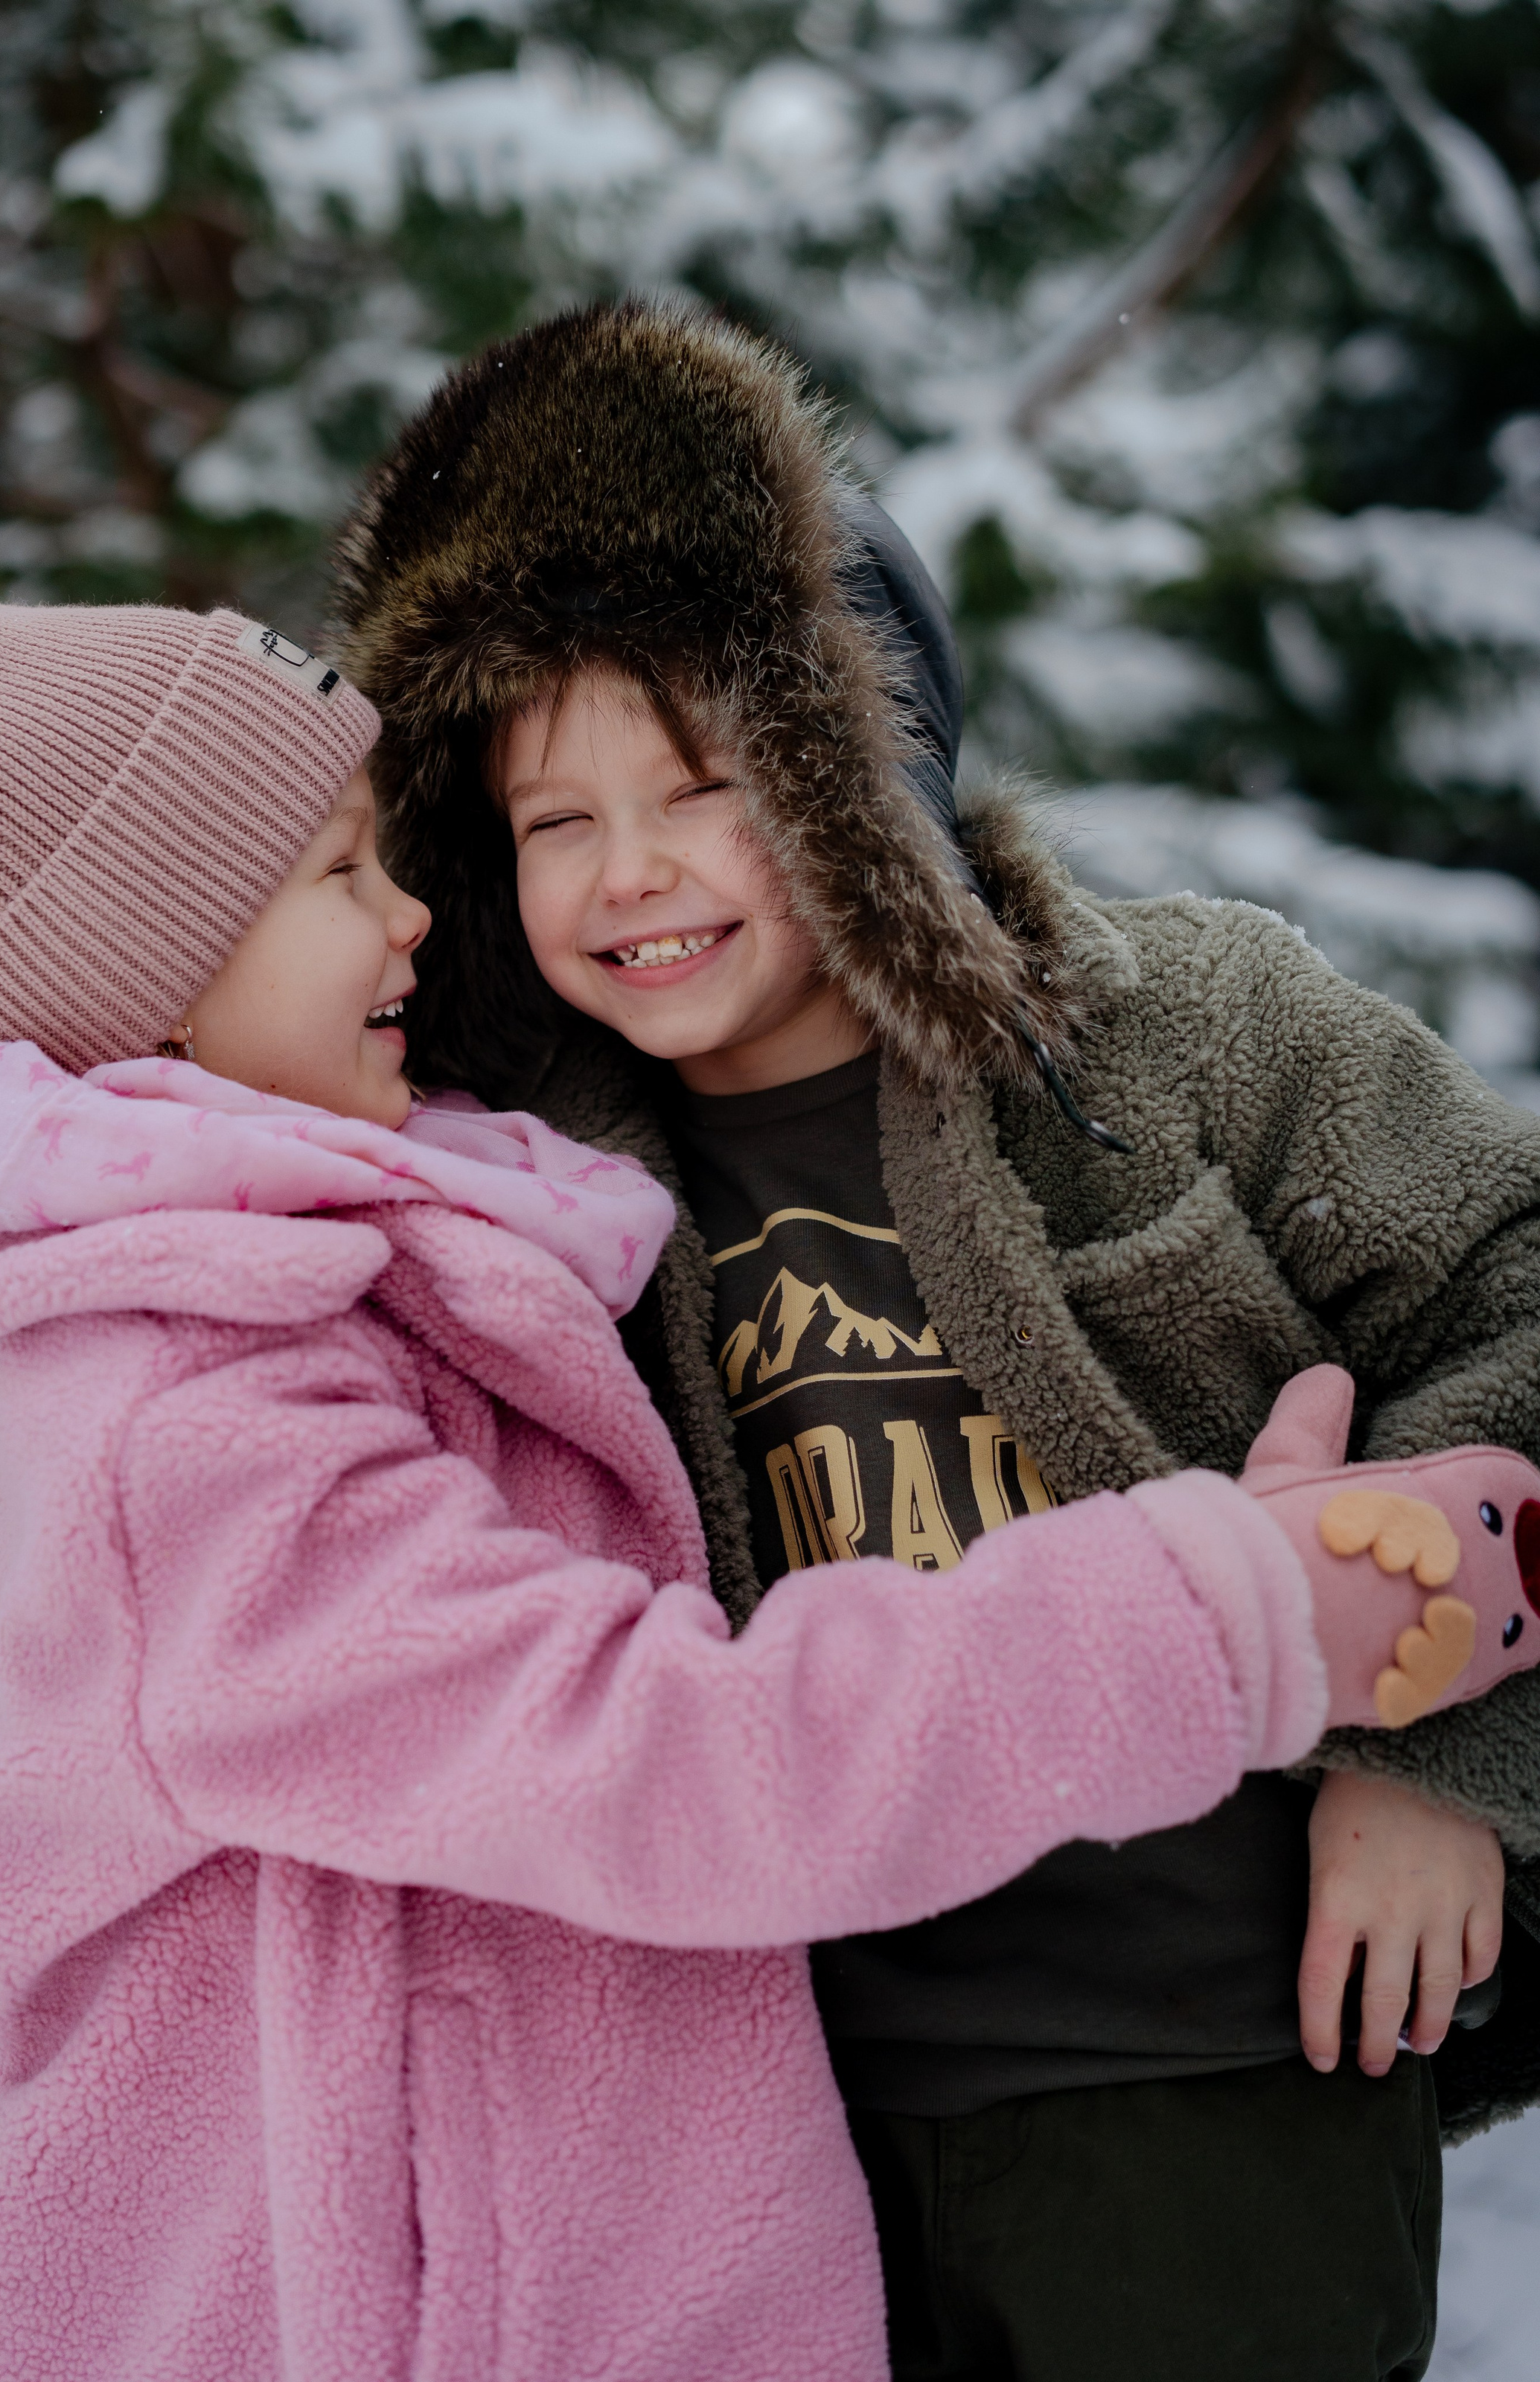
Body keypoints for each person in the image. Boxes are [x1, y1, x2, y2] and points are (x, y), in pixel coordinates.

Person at [334, 298, 1540, 2382]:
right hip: (792, 2134)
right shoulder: (544, 1193)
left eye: (704, 786)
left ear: (852, 772)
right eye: (552, 822)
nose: (631, 876)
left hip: (1205, 2073)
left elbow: (1517, 1291)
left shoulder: (1169, 1037)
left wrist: (1435, 1751)